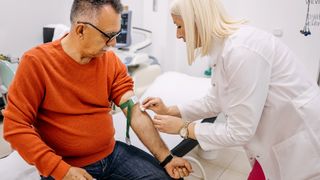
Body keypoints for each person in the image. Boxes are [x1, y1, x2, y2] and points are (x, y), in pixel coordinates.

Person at [3, 0, 192, 179]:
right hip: (66, 165)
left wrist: (167, 158)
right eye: (108, 36)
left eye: (116, 35)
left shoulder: (110, 62)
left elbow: (134, 110)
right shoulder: (36, 63)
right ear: (81, 30)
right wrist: (60, 170)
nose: (113, 44)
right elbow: (15, 125)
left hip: (112, 155)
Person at [141, 0, 320, 179]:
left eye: (180, 26)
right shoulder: (224, 48)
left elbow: (239, 132)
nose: (178, 34)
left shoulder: (241, 51)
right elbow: (216, 100)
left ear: (197, 21)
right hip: (273, 141)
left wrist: (185, 128)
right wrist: (170, 111)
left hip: (300, 139)